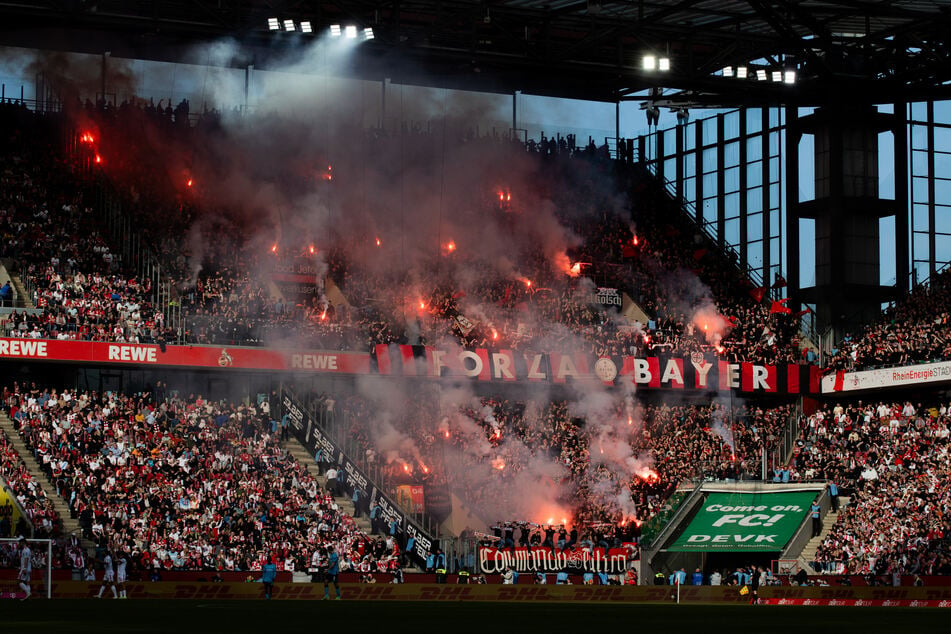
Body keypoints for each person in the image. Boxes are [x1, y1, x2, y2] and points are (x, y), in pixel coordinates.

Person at [17, 536, 31, 600]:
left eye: (20, 542)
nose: (19, 543)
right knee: (27, 581)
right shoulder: (27, 549)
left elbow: (26, 560)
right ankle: (28, 596)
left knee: (19, 581)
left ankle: (28, 593)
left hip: (25, 568)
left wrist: (24, 569)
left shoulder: (26, 550)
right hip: (28, 568)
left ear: (23, 542)